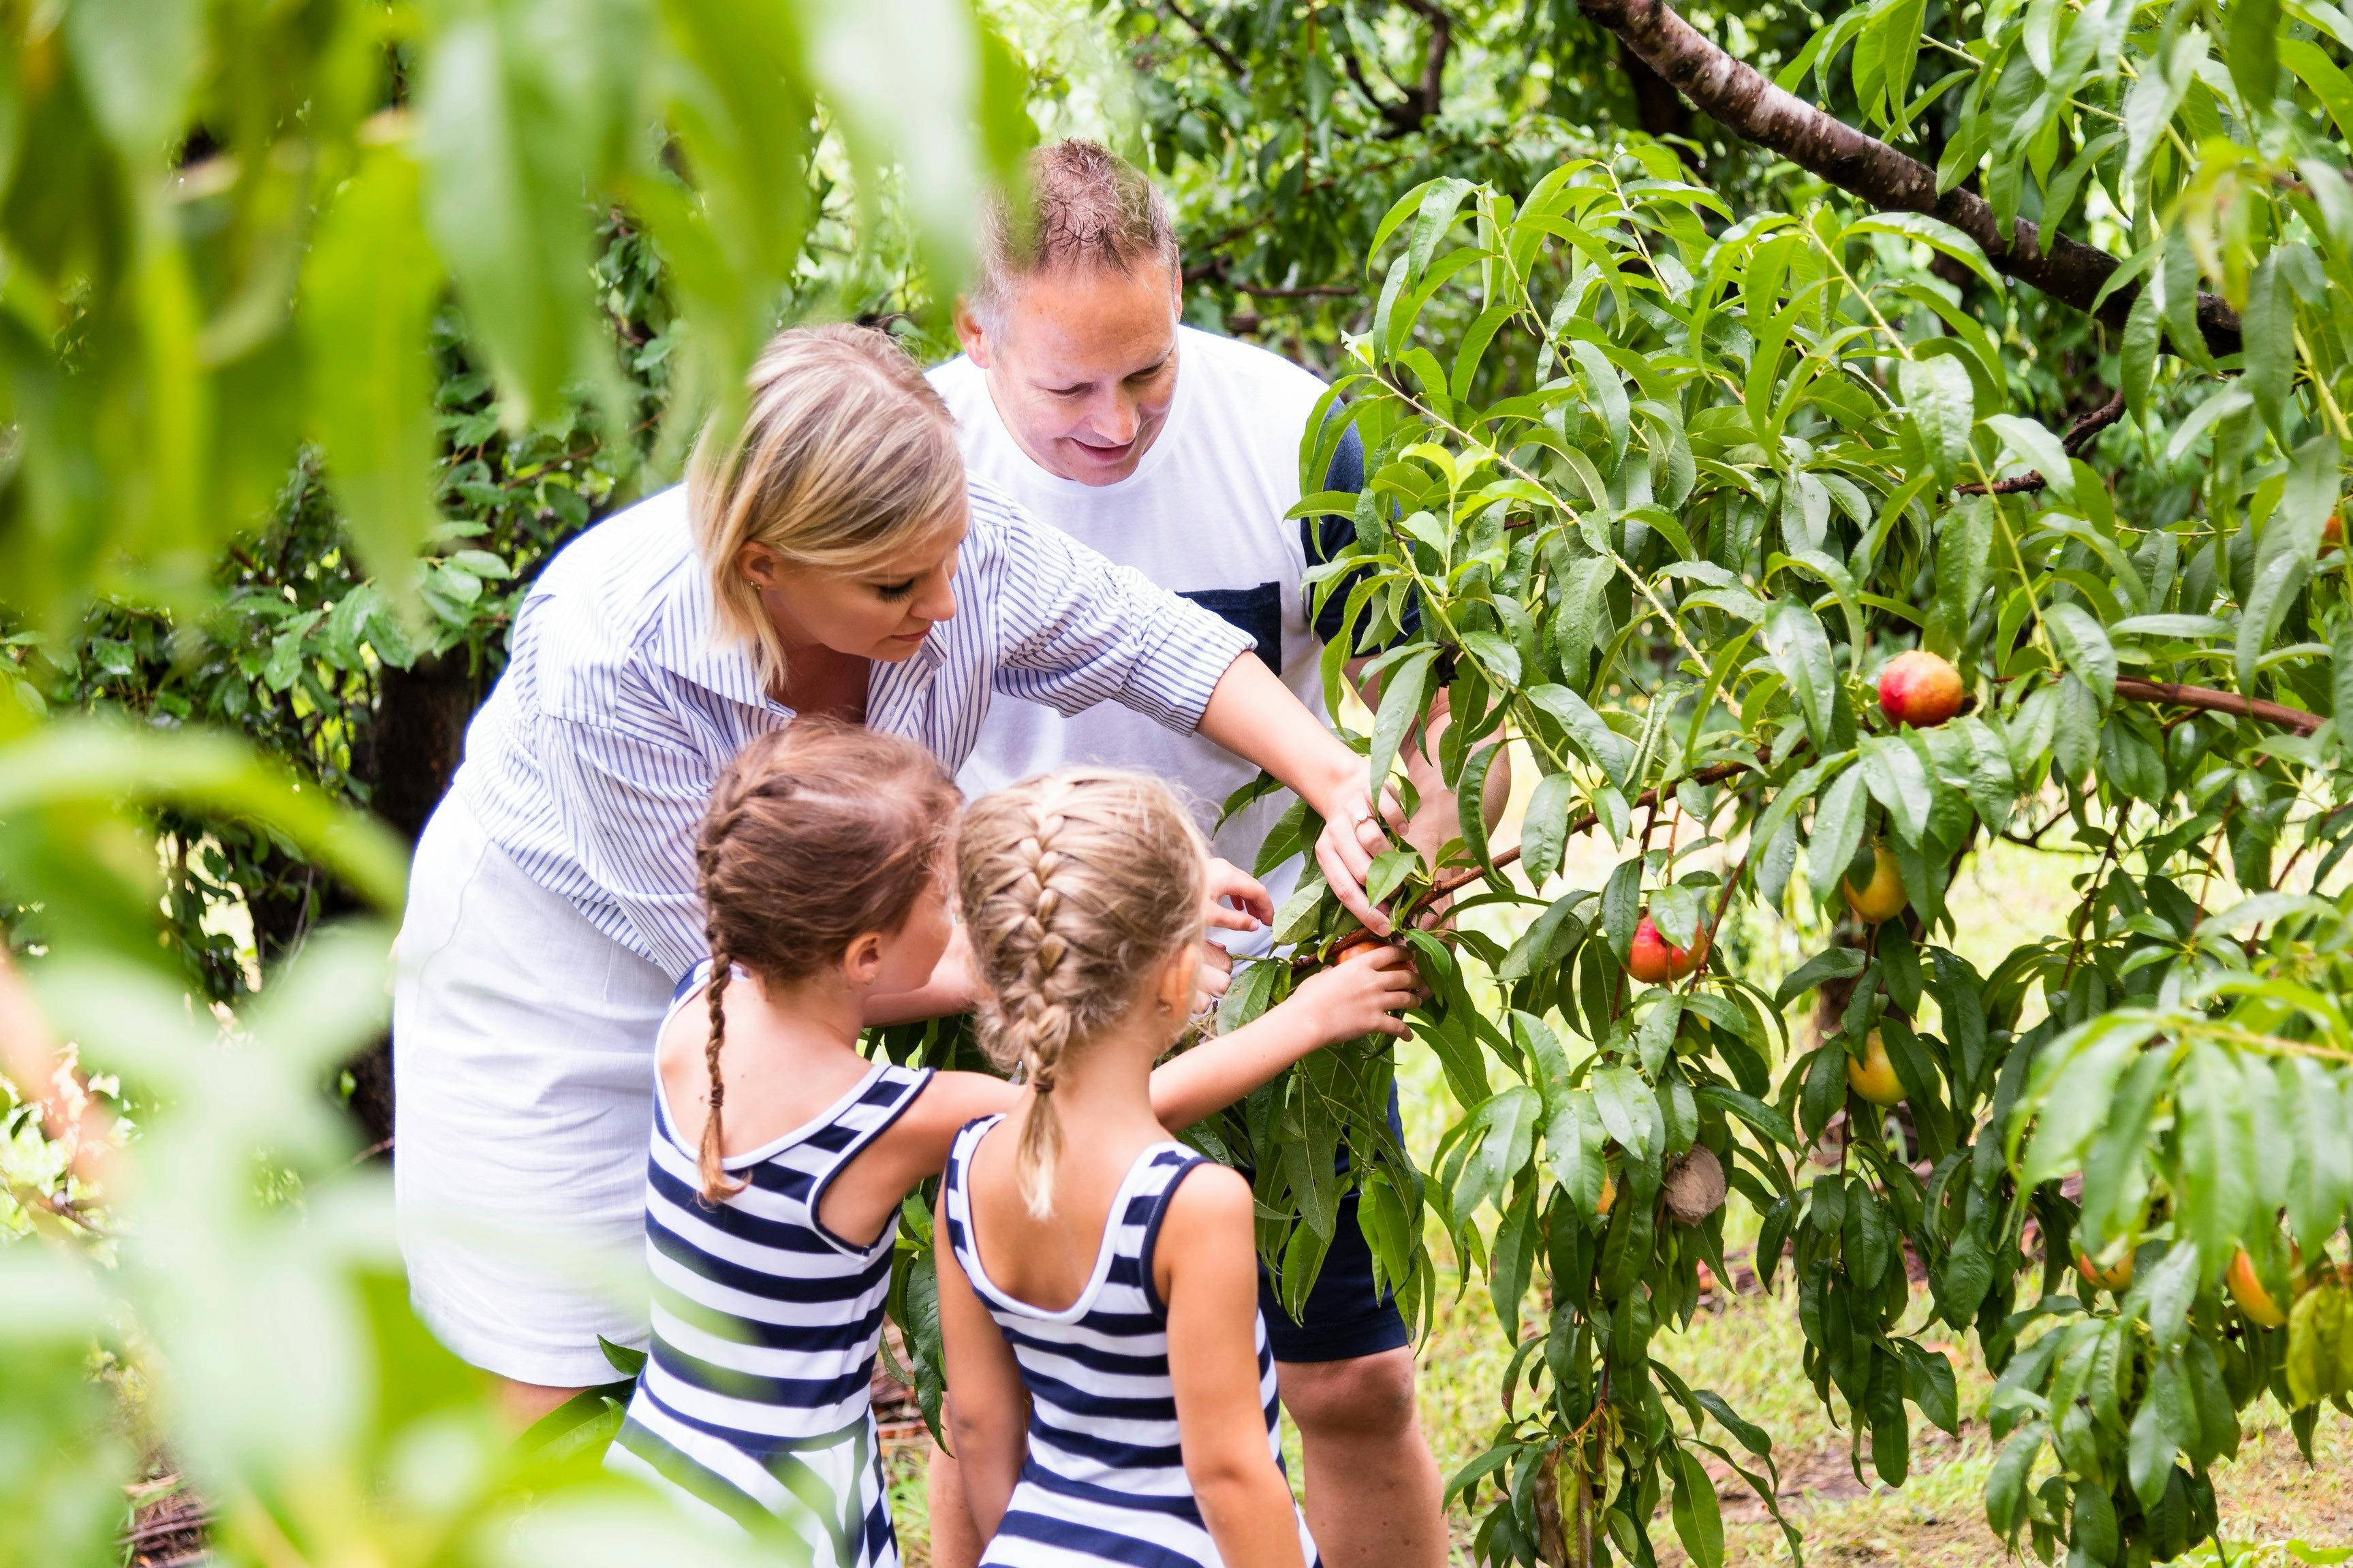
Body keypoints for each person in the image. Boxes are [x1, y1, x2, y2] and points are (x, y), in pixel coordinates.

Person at [392, 323, 1399, 1426]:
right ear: (764, 563)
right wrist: (1106, 934)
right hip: (558, 1002)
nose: (946, 605)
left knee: (742, 1364)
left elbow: (1147, 639)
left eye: (950, 555)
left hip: (795, 979)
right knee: (555, 1368)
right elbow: (763, 967)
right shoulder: (611, 657)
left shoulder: (954, 555)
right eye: (892, 586)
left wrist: (1331, 770)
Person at [931, 142, 1482, 1567]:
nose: (1117, 425)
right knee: (1023, 1404)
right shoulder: (910, 462)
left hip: (1279, 971)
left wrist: (1400, 874)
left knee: (1349, 1374)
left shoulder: (1297, 437)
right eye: (1068, 387)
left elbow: (1425, 720)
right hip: (1017, 1002)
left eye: (1149, 371)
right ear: (972, 335)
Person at [606, 723, 1420, 1566]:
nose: (961, 912)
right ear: (867, 952)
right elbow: (1092, 1125)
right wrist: (1305, 1017)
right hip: (784, 1503)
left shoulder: (704, 999)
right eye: (943, 897)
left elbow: (930, 969)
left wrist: (1126, 906)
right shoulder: (896, 1116)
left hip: (660, 1463)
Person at [935, 770, 1328, 1568]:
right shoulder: (1194, 1203)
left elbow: (976, 1424)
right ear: (1179, 977)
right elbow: (1228, 1473)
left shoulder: (966, 1165)